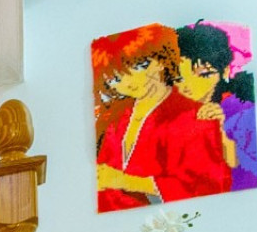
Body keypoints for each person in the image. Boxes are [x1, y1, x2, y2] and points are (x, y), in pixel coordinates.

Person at [91, 24, 232, 212]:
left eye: (139, 66)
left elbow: (208, 186)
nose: (129, 82)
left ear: (160, 59)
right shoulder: (116, 118)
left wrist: (126, 181)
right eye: (116, 79)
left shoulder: (195, 115)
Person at [175, 21, 257, 192]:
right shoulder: (172, 113)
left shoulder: (239, 111)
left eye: (204, 74)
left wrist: (220, 133)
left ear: (225, 71)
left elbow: (244, 172)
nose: (188, 86)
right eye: (179, 78)